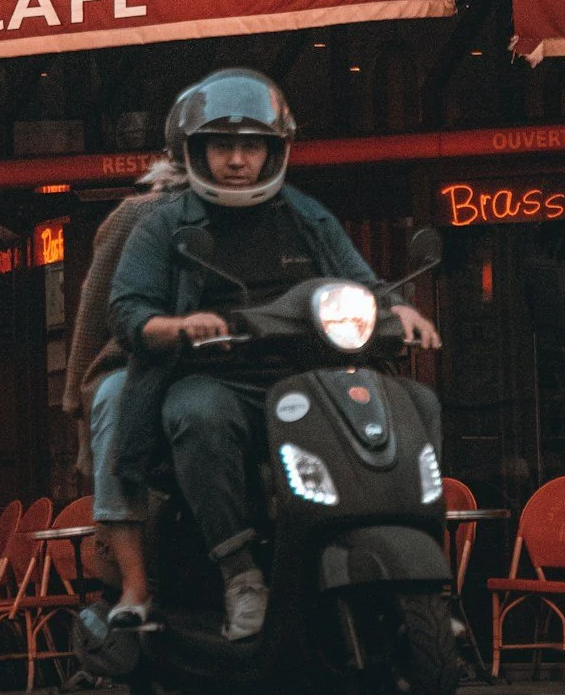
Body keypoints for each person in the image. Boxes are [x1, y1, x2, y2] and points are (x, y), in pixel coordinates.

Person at [108, 68, 441, 641]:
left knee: (417, 404)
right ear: (195, 150)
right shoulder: (165, 226)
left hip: (310, 379)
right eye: (222, 146)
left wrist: (398, 310)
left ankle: (425, 573)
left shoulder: (307, 217)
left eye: (251, 146)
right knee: (197, 416)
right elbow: (128, 312)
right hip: (216, 377)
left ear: (275, 151)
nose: (237, 160)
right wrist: (178, 326)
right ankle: (240, 575)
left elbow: (363, 285)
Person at [61, 155, 181, 632]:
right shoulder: (137, 215)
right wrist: (75, 393)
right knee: (115, 399)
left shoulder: (273, 213)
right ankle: (135, 581)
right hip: (141, 357)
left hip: (239, 360)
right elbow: (95, 310)